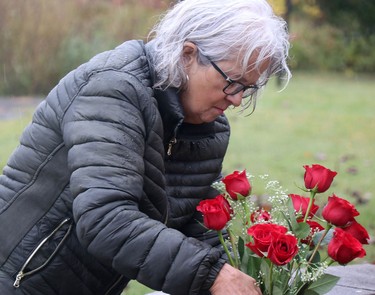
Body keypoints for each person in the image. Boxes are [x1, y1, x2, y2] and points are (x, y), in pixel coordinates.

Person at [0, 0, 290, 294]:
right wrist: (213, 275)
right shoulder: (114, 88)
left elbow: (201, 226)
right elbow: (106, 219)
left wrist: (249, 272)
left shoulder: (208, 128)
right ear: (187, 54)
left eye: (248, 88)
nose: (237, 100)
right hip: (16, 278)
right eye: (232, 81)